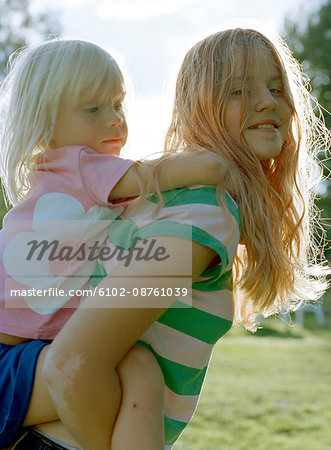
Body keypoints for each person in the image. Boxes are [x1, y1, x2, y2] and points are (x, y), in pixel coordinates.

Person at [3, 27, 330, 449]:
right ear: (200, 106)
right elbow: (72, 360)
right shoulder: (202, 211)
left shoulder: (175, 205)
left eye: (275, 87)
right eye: (237, 90)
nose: (268, 101)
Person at [0, 38, 227, 449]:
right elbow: (203, 168)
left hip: (23, 357)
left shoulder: (57, 178)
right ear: (46, 122)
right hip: (10, 365)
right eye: (93, 109)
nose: (114, 120)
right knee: (139, 370)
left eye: (118, 105)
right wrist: (222, 160)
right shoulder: (84, 168)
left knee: (130, 365)